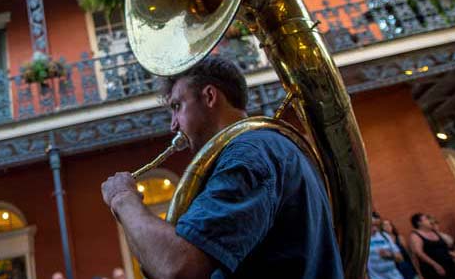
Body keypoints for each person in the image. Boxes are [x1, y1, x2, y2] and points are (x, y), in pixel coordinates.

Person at [100, 56, 343, 278]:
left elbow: (177, 267)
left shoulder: (248, 154)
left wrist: (123, 198)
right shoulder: (268, 146)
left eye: (177, 107)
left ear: (209, 96)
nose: (173, 125)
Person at [409, 213, 455, 279]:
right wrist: (435, 265)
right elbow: (419, 253)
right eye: (426, 219)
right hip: (434, 270)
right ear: (419, 223)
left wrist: (453, 254)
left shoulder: (434, 232)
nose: (430, 220)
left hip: (450, 266)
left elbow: (444, 248)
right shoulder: (415, 235)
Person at [368, 212, 404, 279]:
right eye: (372, 225)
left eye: (376, 225)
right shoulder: (363, 241)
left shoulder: (384, 235)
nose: (375, 228)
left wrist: (390, 255)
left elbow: (400, 258)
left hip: (396, 276)